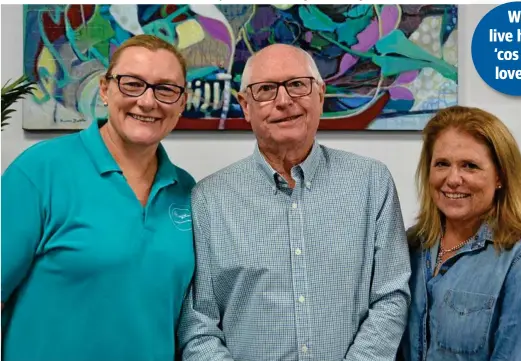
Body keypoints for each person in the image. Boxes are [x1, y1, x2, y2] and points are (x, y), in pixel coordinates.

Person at [177, 43, 411, 361]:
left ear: (320, 94)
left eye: (297, 85)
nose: (284, 101)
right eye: (266, 89)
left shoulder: (370, 182)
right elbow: (198, 326)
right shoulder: (208, 200)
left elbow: (391, 295)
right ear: (245, 105)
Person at [1, 34, 196, 361]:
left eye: (165, 89)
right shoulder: (40, 171)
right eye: (132, 84)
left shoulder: (188, 191)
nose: (148, 102)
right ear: (105, 90)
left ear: (181, 102)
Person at [400, 106, 521, 361]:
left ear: (500, 176)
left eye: (470, 166)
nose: (453, 179)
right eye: (442, 164)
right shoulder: (408, 247)